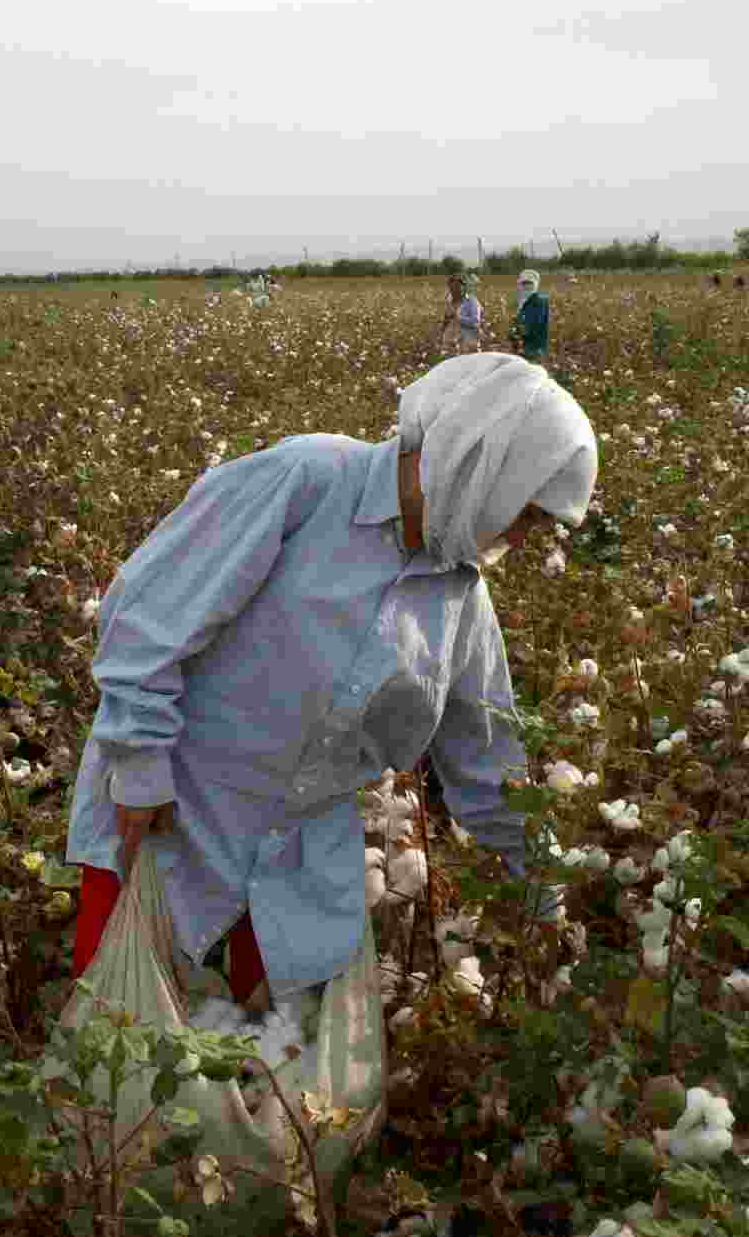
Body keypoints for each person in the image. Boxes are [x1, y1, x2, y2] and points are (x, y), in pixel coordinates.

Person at [64, 353, 598, 1009]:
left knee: (257, 1086)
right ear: (484, 463)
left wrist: (548, 900)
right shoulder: (308, 480)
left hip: (289, 872)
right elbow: (147, 616)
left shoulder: (461, 599)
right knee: (123, 1060)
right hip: (170, 825)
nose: (521, 537)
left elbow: (489, 772)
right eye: (526, 513)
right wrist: (140, 764)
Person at [510, 269, 550, 361]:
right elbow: (518, 322)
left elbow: (533, 326)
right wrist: (514, 332)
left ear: (535, 285)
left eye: (529, 283)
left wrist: (517, 332)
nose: (526, 286)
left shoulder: (539, 300)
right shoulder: (525, 301)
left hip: (534, 350)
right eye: (524, 284)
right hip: (525, 349)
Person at [441, 273, 482, 354]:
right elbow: (445, 325)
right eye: (452, 287)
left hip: (468, 347)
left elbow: (476, 322)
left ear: (463, 287)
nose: (454, 290)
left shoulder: (472, 301)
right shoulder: (449, 303)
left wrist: (458, 318)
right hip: (451, 348)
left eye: (457, 287)